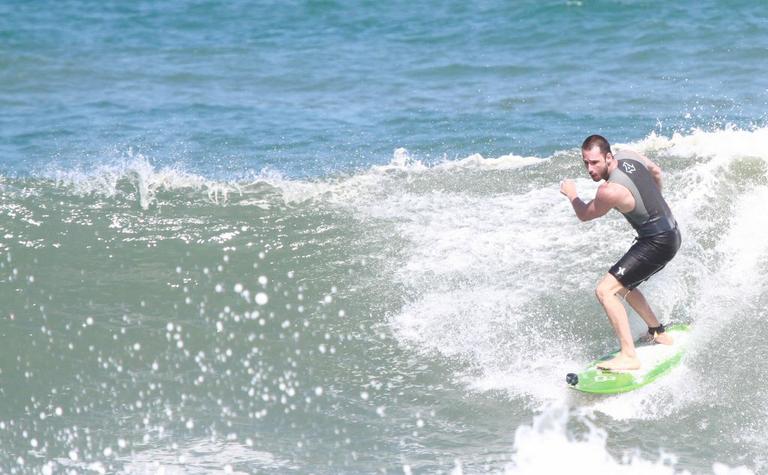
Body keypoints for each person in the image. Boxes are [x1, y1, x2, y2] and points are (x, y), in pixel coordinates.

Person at [560, 134, 681, 370]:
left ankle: (629, 356)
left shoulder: (609, 190)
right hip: (670, 230)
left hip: (657, 242)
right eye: (585, 162)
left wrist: (572, 194)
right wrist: (655, 202)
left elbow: (585, 214)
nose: (590, 169)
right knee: (623, 284)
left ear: (607, 157)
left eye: (594, 162)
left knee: (605, 291)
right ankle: (657, 332)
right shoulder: (628, 154)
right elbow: (655, 171)